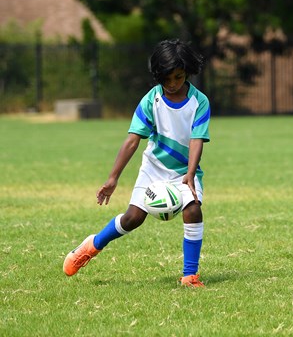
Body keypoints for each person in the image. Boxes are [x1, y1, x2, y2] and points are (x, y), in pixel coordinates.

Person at [63, 39, 211, 287]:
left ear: (187, 73)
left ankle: (190, 275)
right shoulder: (150, 101)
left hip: (186, 171)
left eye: (178, 77)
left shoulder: (200, 102)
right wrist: (113, 178)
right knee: (133, 218)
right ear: (158, 75)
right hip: (153, 169)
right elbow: (133, 141)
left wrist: (190, 173)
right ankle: (92, 245)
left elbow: (197, 140)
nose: (173, 84)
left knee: (193, 208)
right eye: (167, 78)